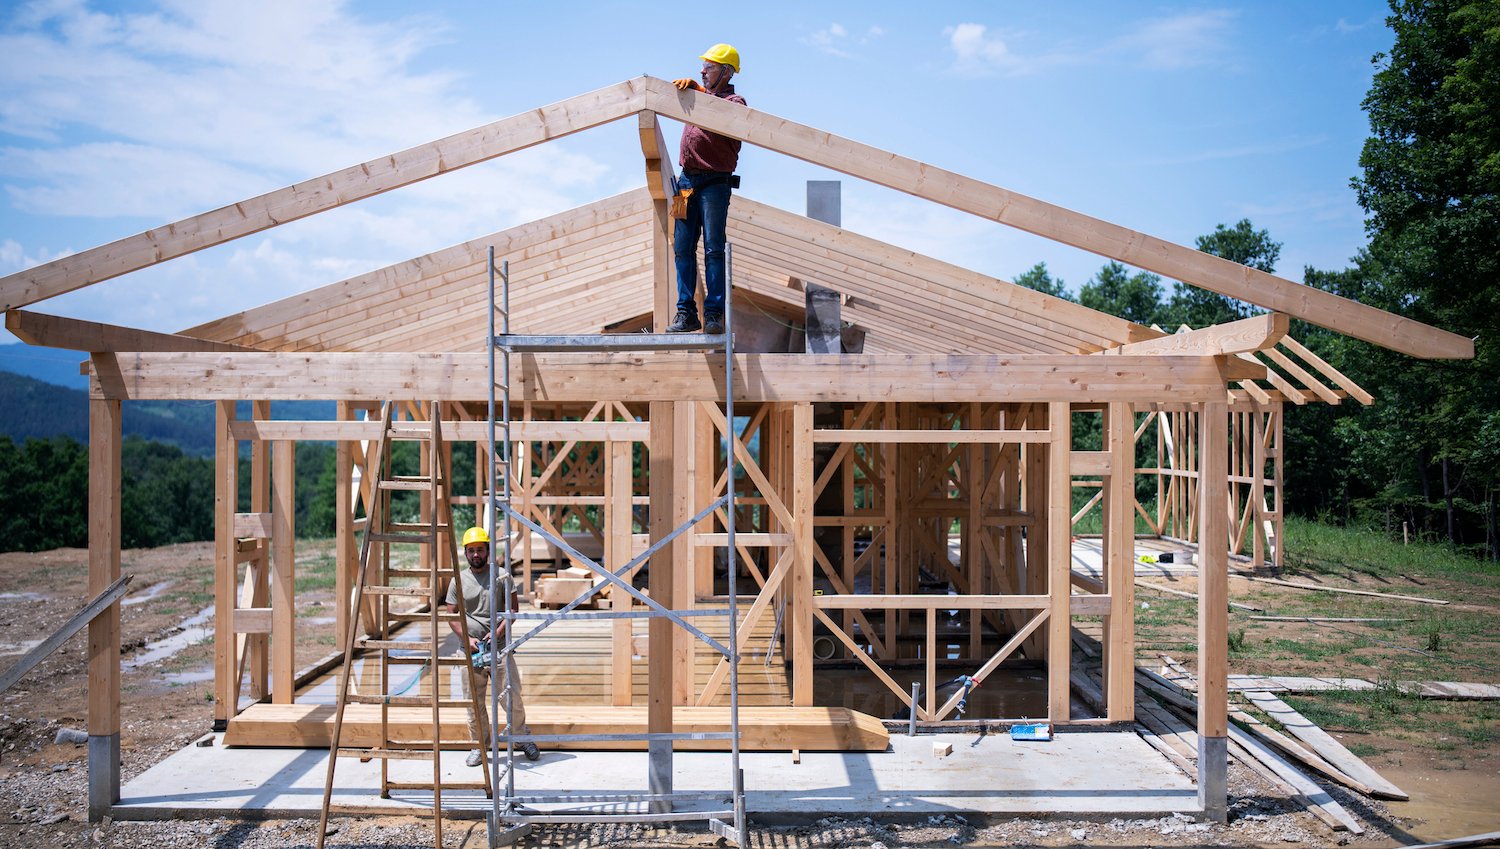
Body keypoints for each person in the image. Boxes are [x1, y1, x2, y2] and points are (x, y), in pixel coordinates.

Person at [666, 43, 747, 336]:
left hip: (715, 184)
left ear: (726, 72)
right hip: (686, 183)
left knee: (714, 249)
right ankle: (686, 313)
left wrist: (700, 95)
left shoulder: (735, 101)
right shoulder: (699, 98)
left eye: (709, 67)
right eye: (703, 66)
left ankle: (714, 314)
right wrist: (695, 95)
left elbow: (727, 116)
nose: (702, 71)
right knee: (681, 247)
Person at [446, 526, 539, 764]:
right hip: (470, 652)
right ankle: (480, 745)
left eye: (480, 549)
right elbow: (451, 614)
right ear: (465, 553)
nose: (476, 554)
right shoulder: (459, 579)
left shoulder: (501, 575)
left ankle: (521, 738)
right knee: (473, 701)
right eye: (471, 550)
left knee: (511, 697)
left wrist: (498, 632)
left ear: (487, 551)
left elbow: (513, 609)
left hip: (499, 649)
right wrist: (468, 640)